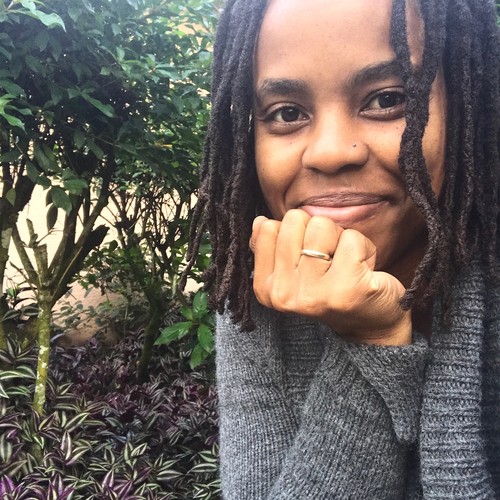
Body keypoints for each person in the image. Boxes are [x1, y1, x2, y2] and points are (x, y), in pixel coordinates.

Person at [184, 0, 500, 497]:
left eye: (387, 99)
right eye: (287, 113)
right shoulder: (255, 297)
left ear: (468, 108)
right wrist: (371, 341)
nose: (330, 152)